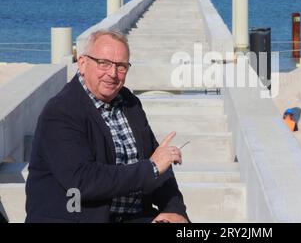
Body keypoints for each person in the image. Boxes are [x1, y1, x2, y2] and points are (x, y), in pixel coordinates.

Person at [25, 30, 189, 223]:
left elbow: (158, 163)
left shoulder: (129, 103)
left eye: (121, 66)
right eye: (103, 63)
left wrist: (175, 211)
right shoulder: (61, 111)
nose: (112, 74)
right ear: (83, 63)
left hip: (130, 216)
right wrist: (150, 169)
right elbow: (82, 181)